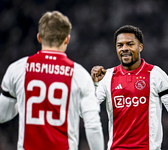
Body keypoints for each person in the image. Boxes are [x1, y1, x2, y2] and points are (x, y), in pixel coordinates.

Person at [0, 11, 104, 150]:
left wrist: (23, 101)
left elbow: (2, 114)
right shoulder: (79, 74)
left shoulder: (18, 68)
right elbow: (93, 125)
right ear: (67, 39)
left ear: (39, 37)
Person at [91, 25, 168, 150]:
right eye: (120, 45)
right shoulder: (107, 77)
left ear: (140, 47)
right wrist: (96, 84)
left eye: (130, 44)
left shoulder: (156, 74)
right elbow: (87, 112)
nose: (124, 48)